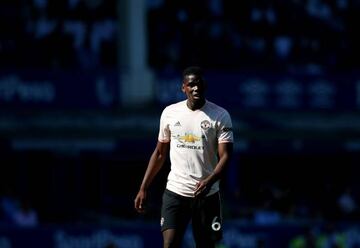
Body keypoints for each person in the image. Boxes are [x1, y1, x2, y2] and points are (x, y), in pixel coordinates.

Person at [134, 66, 234, 248]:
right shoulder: (170, 113)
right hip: (175, 192)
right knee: (170, 244)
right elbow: (159, 153)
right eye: (191, 84)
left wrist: (209, 181)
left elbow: (226, 156)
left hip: (207, 195)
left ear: (205, 85)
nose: (196, 88)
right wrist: (143, 187)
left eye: (200, 84)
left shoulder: (220, 115)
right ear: (183, 88)